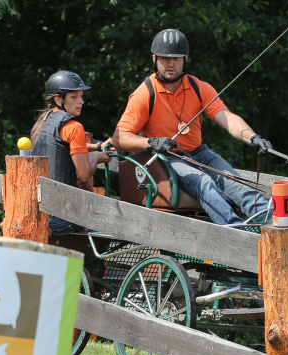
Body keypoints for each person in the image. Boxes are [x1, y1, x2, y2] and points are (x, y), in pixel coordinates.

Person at [112, 29, 271, 225]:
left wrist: (252, 137)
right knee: (203, 183)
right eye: (164, 58)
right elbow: (119, 138)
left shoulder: (199, 87)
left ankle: (274, 225)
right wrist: (152, 142)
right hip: (167, 157)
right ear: (154, 59)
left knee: (237, 185)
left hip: (199, 153)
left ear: (185, 59)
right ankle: (238, 233)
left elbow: (227, 117)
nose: (171, 63)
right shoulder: (144, 94)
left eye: (176, 58)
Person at [31, 70, 112, 234]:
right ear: (58, 99)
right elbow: (83, 175)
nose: (81, 101)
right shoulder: (74, 127)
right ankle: (95, 258)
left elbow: (63, 145)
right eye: (74, 97)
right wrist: (97, 159)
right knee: (108, 213)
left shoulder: (45, 120)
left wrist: (98, 146)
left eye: (81, 96)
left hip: (40, 209)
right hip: (61, 217)